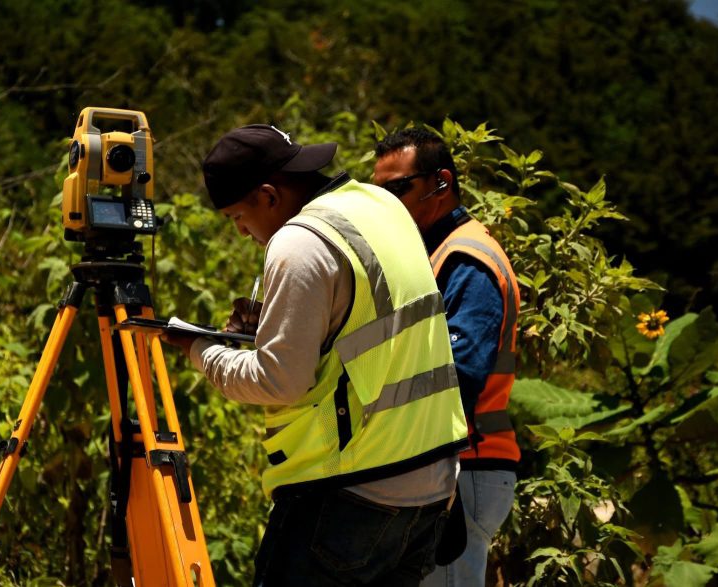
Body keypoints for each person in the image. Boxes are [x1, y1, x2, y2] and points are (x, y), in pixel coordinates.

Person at [164, 124, 470, 586]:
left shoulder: (299, 242)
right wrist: (281, 327)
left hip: (350, 494)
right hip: (431, 487)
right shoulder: (380, 204)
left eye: (237, 217)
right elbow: (374, 323)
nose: (242, 232)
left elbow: (278, 381)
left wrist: (199, 349)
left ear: (269, 195)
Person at [373, 128, 521, 587]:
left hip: (466, 466)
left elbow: (458, 377)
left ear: (441, 182)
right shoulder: (436, 253)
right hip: (452, 466)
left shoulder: (467, 258)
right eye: (379, 194)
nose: (387, 204)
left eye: (398, 189)